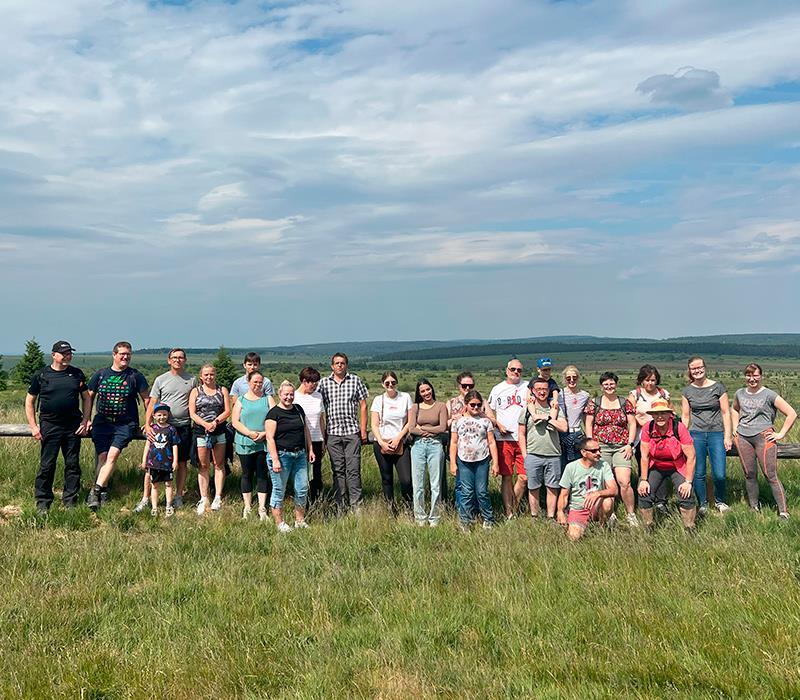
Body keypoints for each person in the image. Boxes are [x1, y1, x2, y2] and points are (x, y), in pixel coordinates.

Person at [25, 341, 91, 512]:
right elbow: (30, 401)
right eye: (64, 353)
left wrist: (85, 420)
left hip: (72, 426)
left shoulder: (76, 374)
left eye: (70, 353)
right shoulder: (41, 375)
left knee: (72, 463)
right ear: (54, 355)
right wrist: (33, 426)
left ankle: (70, 500)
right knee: (47, 464)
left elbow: (87, 398)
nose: (68, 356)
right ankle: (43, 501)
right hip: (50, 424)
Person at [86, 341, 150, 510]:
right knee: (102, 457)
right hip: (102, 422)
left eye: (128, 354)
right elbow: (89, 396)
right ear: (114, 355)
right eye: (122, 354)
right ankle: (104, 491)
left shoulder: (135, 376)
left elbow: (147, 400)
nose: (125, 357)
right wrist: (87, 419)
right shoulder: (100, 374)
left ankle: (94, 491)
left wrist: (149, 423)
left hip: (125, 423)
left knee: (112, 456)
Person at [134, 348, 196, 513]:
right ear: (169, 360)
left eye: (181, 357)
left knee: (181, 462)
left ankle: (178, 496)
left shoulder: (192, 379)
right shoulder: (161, 380)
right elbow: (152, 403)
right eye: (174, 357)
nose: (178, 360)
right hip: (162, 427)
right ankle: (146, 498)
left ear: (185, 360)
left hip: (183, 426)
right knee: (151, 464)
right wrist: (148, 425)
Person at [731, 363, 797, 519]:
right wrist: (735, 427)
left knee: (770, 475)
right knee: (749, 474)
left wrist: (780, 434)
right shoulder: (740, 393)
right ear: (745, 376)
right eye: (748, 375)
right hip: (743, 437)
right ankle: (754, 507)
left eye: (755, 375)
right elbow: (734, 409)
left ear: (761, 376)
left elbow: (791, 413)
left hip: (763, 437)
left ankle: (783, 511)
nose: (752, 379)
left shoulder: (769, 394)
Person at [584, 372, 638, 527]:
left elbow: (632, 423)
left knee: (624, 481)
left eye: (612, 383)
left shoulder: (624, 402)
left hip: (621, 447)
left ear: (616, 384)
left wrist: (630, 444)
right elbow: (589, 423)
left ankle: (630, 514)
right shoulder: (594, 403)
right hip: (601, 447)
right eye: (606, 384)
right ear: (601, 386)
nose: (609, 387)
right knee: (605, 482)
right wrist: (591, 445)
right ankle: (609, 513)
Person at [318, 353, 368, 514]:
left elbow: (363, 406)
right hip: (332, 432)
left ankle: (356, 506)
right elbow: (316, 404)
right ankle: (340, 505)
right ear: (332, 366)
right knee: (338, 470)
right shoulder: (324, 383)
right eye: (337, 363)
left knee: (353, 470)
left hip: (352, 432)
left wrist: (363, 429)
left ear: (347, 365)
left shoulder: (355, 380)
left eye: (342, 363)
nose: (340, 365)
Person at [681, 356, 733, 515]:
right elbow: (685, 416)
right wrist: (682, 437)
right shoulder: (687, 391)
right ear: (690, 371)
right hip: (696, 434)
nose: (697, 371)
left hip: (716, 433)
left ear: (705, 367)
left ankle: (720, 501)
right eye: (693, 368)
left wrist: (728, 436)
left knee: (720, 473)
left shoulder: (718, 388)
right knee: (699, 472)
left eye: (699, 367)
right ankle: (702, 503)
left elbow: (726, 413)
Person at [637, 399, 697, 531]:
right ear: (652, 415)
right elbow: (644, 456)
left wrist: (688, 482)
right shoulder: (648, 428)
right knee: (644, 492)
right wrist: (643, 480)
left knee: (686, 493)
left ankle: (690, 528)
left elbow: (691, 456)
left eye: (663, 413)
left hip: (677, 465)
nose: (660, 416)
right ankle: (648, 526)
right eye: (656, 413)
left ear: (670, 414)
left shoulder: (678, 427)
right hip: (656, 465)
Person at [266, 380, 314, 532]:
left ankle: (299, 520)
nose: (288, 397)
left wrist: (310, 449)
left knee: (302, 488)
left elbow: (306, 431)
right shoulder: (273, 413)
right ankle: (280, 523)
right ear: (280, 394)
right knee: (279, 489)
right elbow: (269, 438)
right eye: (286, 394)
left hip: (300, 454)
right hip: (281, 456)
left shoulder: (299, 409)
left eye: (291, 394)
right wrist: (275, 459)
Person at [518, 377, 568, 519]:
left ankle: (551, 516)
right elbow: (521, 434)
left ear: (549, 391)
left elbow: (564, 427)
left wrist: (548, 418)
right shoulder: (526, 410)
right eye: (538, 389)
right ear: (533, 391)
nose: (542, 392)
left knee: (552, 487)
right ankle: (534, 515)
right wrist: (525, 455)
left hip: (553, 454)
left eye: (545, 389)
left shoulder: (556, 409)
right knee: (533, 487)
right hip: (533, 454)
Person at [485, 358, 528, 519]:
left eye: (519, 370)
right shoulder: (498, 389)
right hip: (504, 439)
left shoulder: (527, 387)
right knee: (507, 476)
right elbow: (489, 411)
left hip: (524, 439)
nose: (516, 372)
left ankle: (514, 507)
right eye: (513, 369)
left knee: (524, 477)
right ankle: (509, 512)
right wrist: (497, 424)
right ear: (506, 370)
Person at [450, 390, 499, 530]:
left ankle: (488, 519)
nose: (476, 408)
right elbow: (454, 442)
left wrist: (495, 463)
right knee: (466, 492)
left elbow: (491, 442)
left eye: (478, 405)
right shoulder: (458, 422)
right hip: (464, 460)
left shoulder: (486, 422)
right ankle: (465, 521)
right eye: (472, 405)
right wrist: (453, 463)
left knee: (482, 491)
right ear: (466, 404)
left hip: (482, 460)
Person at [188, 364, 231, 515]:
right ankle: (204, 497)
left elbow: (227, 410)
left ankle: (218, 496)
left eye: (211, 374)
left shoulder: (222, 390)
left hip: (219, 430)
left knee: (219, 464)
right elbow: (192, 413)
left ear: (215, 375)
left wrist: (215, 422)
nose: (209, 377)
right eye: (206, 374)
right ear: (201, 376)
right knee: (203, 465)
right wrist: (205, 424)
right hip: (201, 431)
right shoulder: (196, 391)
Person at [557, 437, 618, 541]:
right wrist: (560, 512)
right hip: (578, 508)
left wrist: (597, 494)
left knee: (608, 501)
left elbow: (614, 490)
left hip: (597, 506)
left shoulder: (604, 465)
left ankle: (602, 528)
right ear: (584, 452)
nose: (598, 453)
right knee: (573, 537)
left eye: (599, 450)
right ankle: (582, 525)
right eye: (594, 451)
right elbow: (564, 494)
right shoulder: (571, 467)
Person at [370, 371, 413, 512]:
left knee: (406, 479)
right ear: (383, 384)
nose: (390, 385)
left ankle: (408, 508)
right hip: (382, 443)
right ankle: (390, 509)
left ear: (397, 383)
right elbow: (374, 424)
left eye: (393, 382)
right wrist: (382, 442)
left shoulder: (405, 397)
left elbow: (410, 421)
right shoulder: (378, 400)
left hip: (401, 443)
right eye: (387, 383)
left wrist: (398, 438)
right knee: (386, 478)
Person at [230, 370, 271, 521]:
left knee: (262, 474)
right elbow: (235, 421)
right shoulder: (241, 400)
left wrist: (264, 433)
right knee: (246, 474)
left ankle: (262, 507)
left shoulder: (268, 399)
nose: (258, 385)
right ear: (248, 383)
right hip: (245, 442)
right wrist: (249, 433)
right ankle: (247, 506)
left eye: (260, 382)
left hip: (264, 442)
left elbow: (275, 418)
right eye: (255, 382)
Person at [408, 379, 448, 526]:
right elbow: (411, 428)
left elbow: (442, 427)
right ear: (419, 393)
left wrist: (423, 429)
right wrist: (432, 429)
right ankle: (420, 517)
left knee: (435, 484)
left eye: (428, 389)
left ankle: (434, 518)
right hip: (418, 446)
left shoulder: (441, 406)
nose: (426, 393)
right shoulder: (415, 407)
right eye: (422, 391)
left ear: (432, 389)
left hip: (435, 445)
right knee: (418, 484)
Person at [445, 372, 481, 506]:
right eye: (464, 385)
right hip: (459, 449)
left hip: (478, 450)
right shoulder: (451, 403)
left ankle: (476, 510)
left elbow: (492, 421)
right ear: (458, 386)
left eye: (470, 385)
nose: (467, 388)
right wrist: (454, 419)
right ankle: (462, 511)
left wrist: (481, 414)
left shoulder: (480, 402)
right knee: (460, 483)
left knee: (478, 484)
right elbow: (444, 425)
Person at [139, 403, 179, 517]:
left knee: (169, 484)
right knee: (154, 485)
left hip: (167, 463)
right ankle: (154, 508)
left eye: (165, 415)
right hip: (153, 463)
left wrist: (175, 461)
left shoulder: (171, 429)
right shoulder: (152, 429)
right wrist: (144, 460)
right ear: (154, 416)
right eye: (159, 415)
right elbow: (147, 445)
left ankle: (168, 506)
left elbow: (175, 445)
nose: (162, 417)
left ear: (168, 415)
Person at [293, 367, 326, 505]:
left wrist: (324, 439)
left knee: (316, 473)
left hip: (317, 439)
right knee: (301, 473)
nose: (314, 386)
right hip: (300, 440)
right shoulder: (294, 396)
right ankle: (301, 501)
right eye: (312, 383)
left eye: (316, 383)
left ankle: (315, 501)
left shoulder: (318, 396)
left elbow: (321, 418)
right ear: (304, 381)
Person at [557, 365, 590, 467]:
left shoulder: (585, 395)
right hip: (561, 434)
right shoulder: (559, 395)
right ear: (564, 379)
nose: (571, 380)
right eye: (568, 378)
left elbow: (586, 418)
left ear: (578, 378)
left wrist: (589, 438)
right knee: (562, 465)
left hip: (577, 435)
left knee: (578, 465)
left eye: (574, 378)